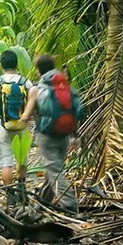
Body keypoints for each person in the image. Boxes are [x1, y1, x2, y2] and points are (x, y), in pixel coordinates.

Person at [21, 54, 82, 214]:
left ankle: (68, 203)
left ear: (38, 71)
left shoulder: (37, 88)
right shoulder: (66, 86)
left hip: (46, 134)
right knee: (54, 167)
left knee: (54, 170)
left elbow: (26, 115)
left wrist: (22, 121)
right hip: (65, 134)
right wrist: (75, 136)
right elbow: (74, 110)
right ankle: (42, 200)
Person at [0, 50, 34, 192]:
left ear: (1, 65)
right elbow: (32, 103)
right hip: (22, 126)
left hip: (3, 127)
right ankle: (21, 190)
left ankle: (9, 194)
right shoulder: (25, 82)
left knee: (6, 162)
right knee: (21, 158)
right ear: (16, 64)